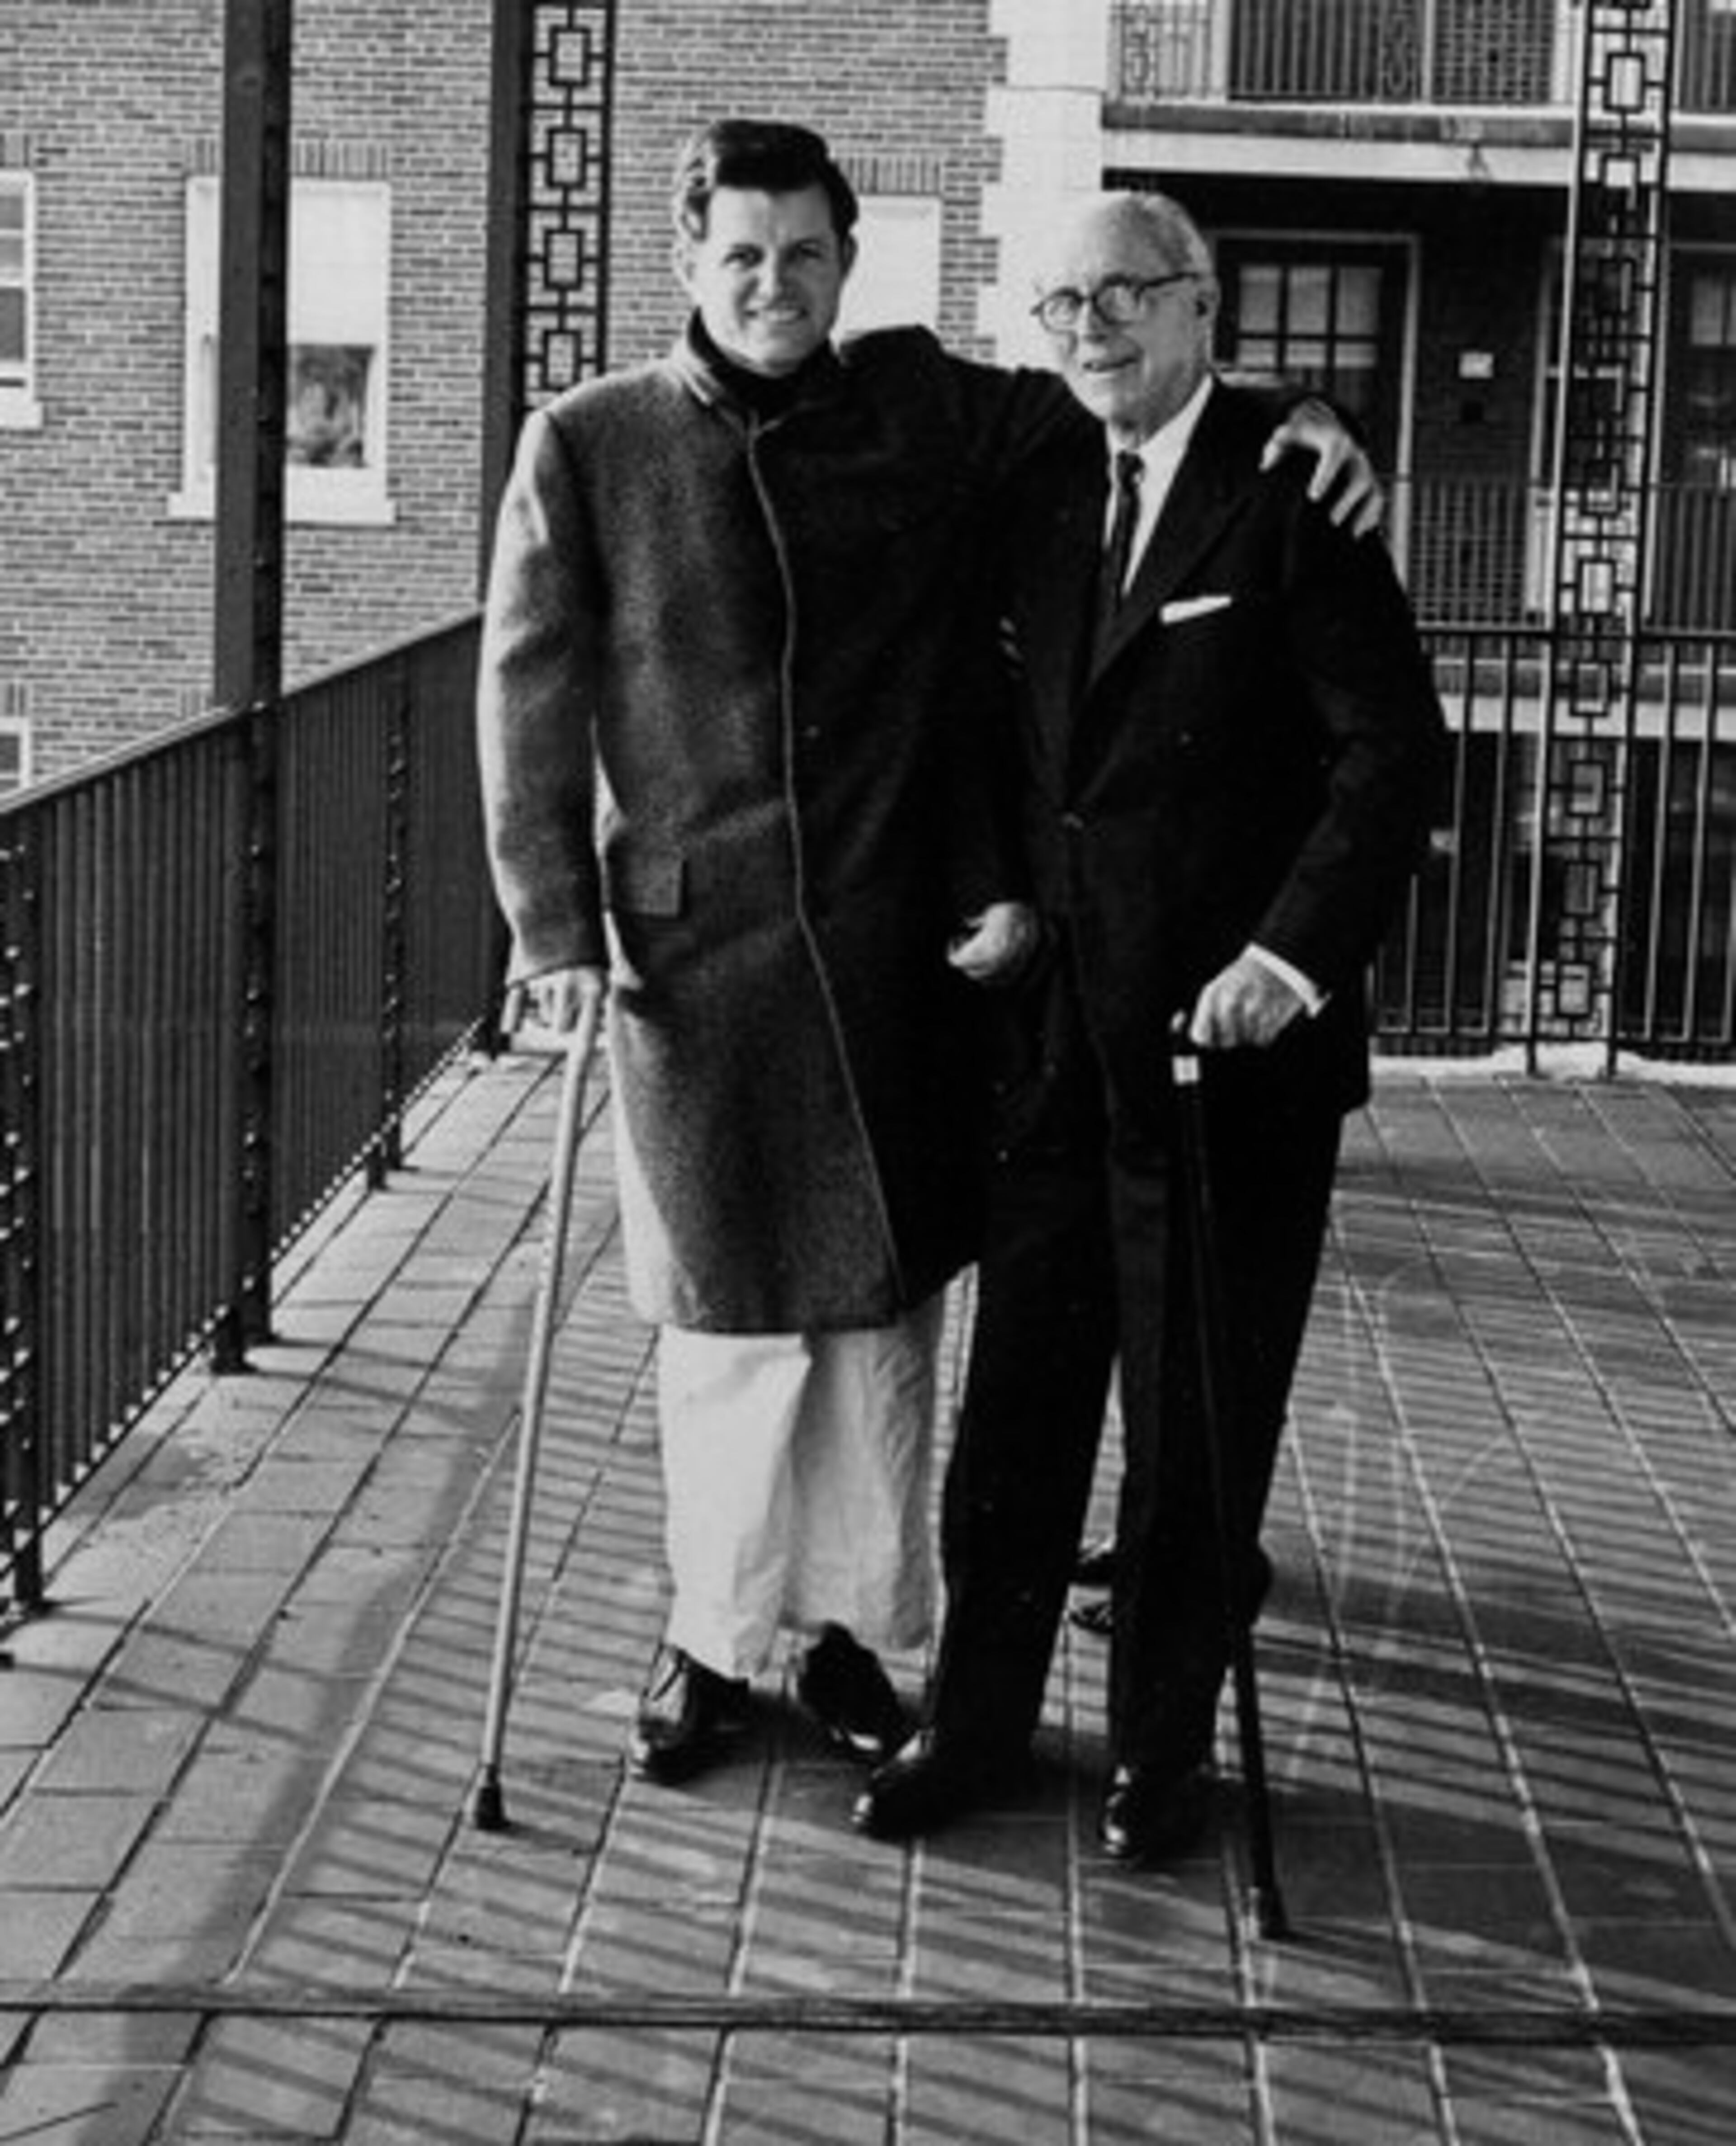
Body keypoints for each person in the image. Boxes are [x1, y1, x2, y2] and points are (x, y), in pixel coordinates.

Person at [476, 123, 1380, 1792]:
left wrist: (1308, 419)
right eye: (741, 255)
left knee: (881, 1320)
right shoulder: (589, 443)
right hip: (697, 959)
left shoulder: (921, 403)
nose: (775, 285)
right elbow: (527, 695)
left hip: (898, 945)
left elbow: (1138, 400)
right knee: (728, 1320)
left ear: (847, 263)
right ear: (688, 262)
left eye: (805, 254)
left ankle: (839, 1635)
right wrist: (554, 926)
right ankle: (709, 1632)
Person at [854, 189, 1447, 1862]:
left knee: (1196, 1436)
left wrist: (1291, 957)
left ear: (1204, 310)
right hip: (1053, 1053)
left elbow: (1390, 751)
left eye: (1127, 294)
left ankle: (1157, 1755)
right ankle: (971, 1727)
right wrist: (996, 891)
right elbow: (981, 729)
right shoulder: (1036, 478)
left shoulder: (1288, 488)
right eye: (1061, 304)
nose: (1092, 326)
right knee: (1017, 1423)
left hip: (1229, 1067)